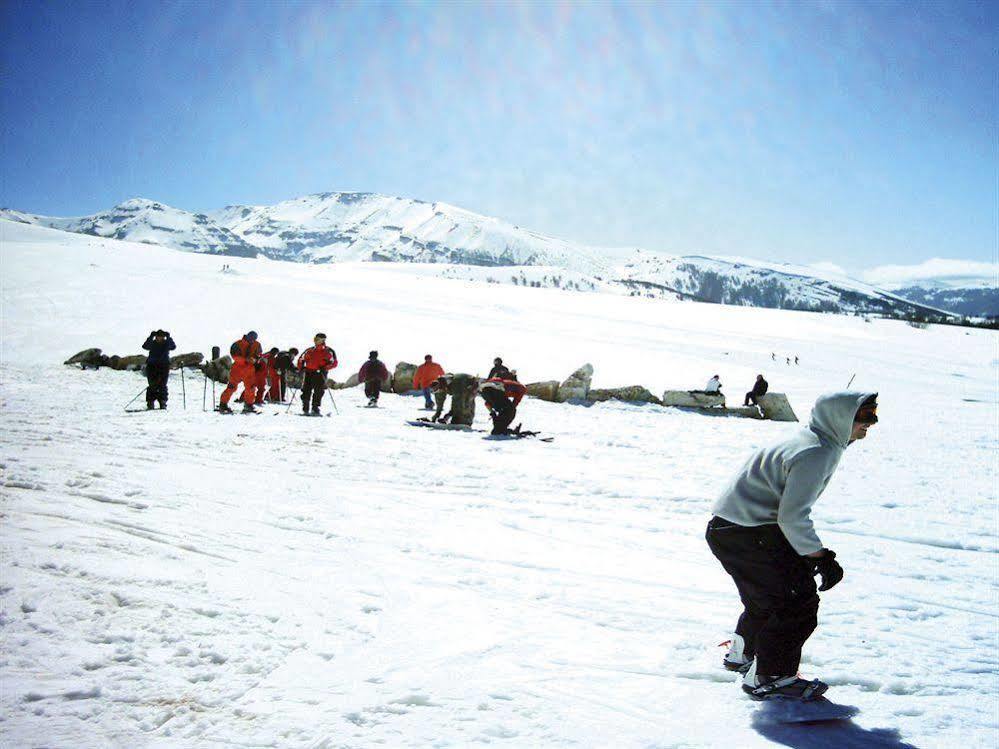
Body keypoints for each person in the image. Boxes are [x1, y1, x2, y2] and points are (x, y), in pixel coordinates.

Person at [705, 392, 878, 701]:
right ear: (841, 417)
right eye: (864, 415)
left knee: (769, 596)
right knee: (797, 603)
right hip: (748, 530)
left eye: (873, 414)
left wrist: (802, 553)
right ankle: (771, 676)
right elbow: (793, 515)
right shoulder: (817, 451)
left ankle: (743, 654)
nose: (871, 423)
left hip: (729, 527)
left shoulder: (806, 439)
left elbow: (783, 513)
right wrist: (820, 557)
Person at [219, 331, 262, 413]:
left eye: (254, 339)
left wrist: (255, 359)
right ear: (247, 336)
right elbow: (234, 356)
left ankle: (248, 405)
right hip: (237, 369)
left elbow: (259, 355)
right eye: (251, 338)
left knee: (251, 388)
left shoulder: (257, 345)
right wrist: (245, 360)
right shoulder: (237, 344)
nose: (252, 341)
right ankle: (223, 404)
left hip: (249, 369)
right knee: (231, 387)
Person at [296, 333, 337, 415]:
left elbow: (334, 363)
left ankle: (315, 408)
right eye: (315, 338)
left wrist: (325, 367)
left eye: (317, 339)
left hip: (320, 373)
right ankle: (305, 407)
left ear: (323, 340)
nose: (315, 340)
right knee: (306, 390)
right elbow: (301, 359)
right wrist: (301, 367)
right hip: (309, 372)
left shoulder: (328, 351)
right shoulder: (310, 350)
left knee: (318, 391)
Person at [141, 330, 176, 409]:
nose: (159, 338)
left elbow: (173, 347)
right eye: (158, 336)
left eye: (161, 336)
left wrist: (169, 338)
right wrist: (150, 337)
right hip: (152, 366)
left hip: (163, 366)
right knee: (152, 385)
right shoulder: (152, 343)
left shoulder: (166, 343)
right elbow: (145, 346)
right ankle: (150, 403)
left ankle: (162, 402)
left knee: (162, 385)